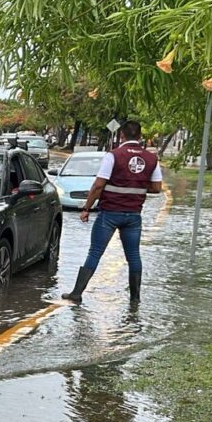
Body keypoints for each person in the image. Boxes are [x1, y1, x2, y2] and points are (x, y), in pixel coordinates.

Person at [61, 120, 162, 305]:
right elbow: (157, 188)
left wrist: (86, 208)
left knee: (95, 252)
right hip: (133, 215)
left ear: (121, 136)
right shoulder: (151, 159)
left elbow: (99, 185)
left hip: (109, 214)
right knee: (133, 255)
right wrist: (136, 184)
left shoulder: (113, 156)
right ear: (140, 137)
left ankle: (76, 293)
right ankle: (135, 298)